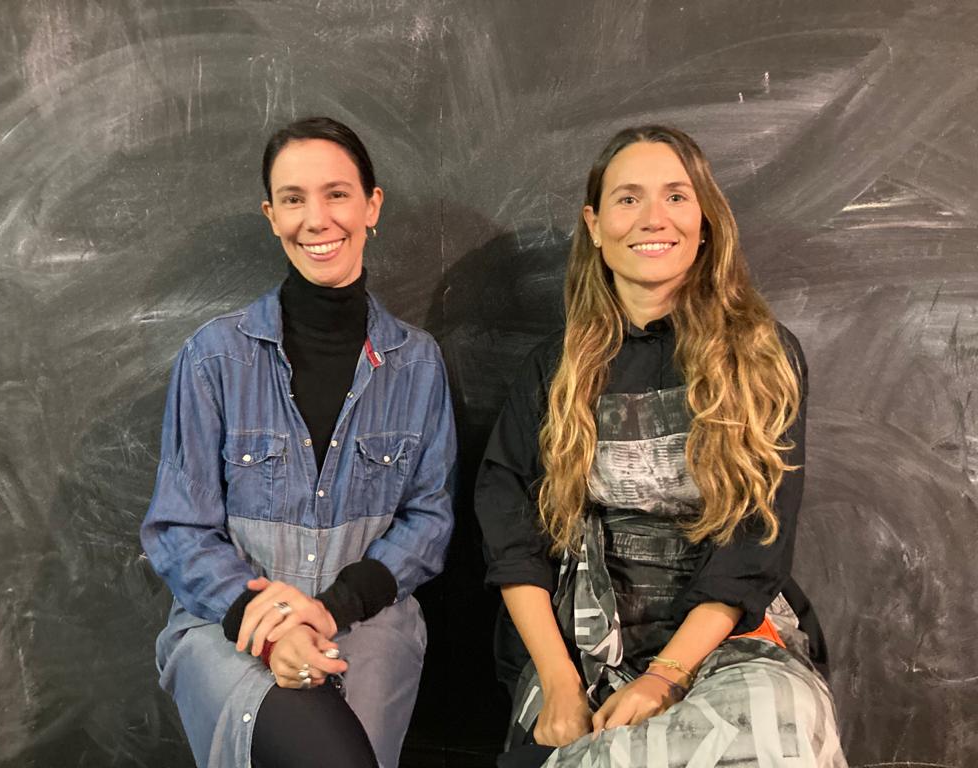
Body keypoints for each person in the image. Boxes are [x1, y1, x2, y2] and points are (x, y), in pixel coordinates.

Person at [475, 125, 847, 767]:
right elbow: (512, 538)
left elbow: (754, 545)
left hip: (728, 642)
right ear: (595, 226)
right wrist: (558, 682)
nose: (654, 218)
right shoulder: (552, 370)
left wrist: (666, 676)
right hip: (580, 645)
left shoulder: (763, 358)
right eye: (628, 198)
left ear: (704, 223)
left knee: (772, 730)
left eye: (676, 196)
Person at [140, 116, 456, 768]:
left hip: (367, 627)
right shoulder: (214, 357)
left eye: (337, 194)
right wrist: (269, 629)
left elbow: (429, 520)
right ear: (271, 215)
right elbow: (178, 529)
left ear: (371, 205)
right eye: (293, 199)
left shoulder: (417, 363)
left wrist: (330, 610)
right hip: (230, 626)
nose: (316, 219)